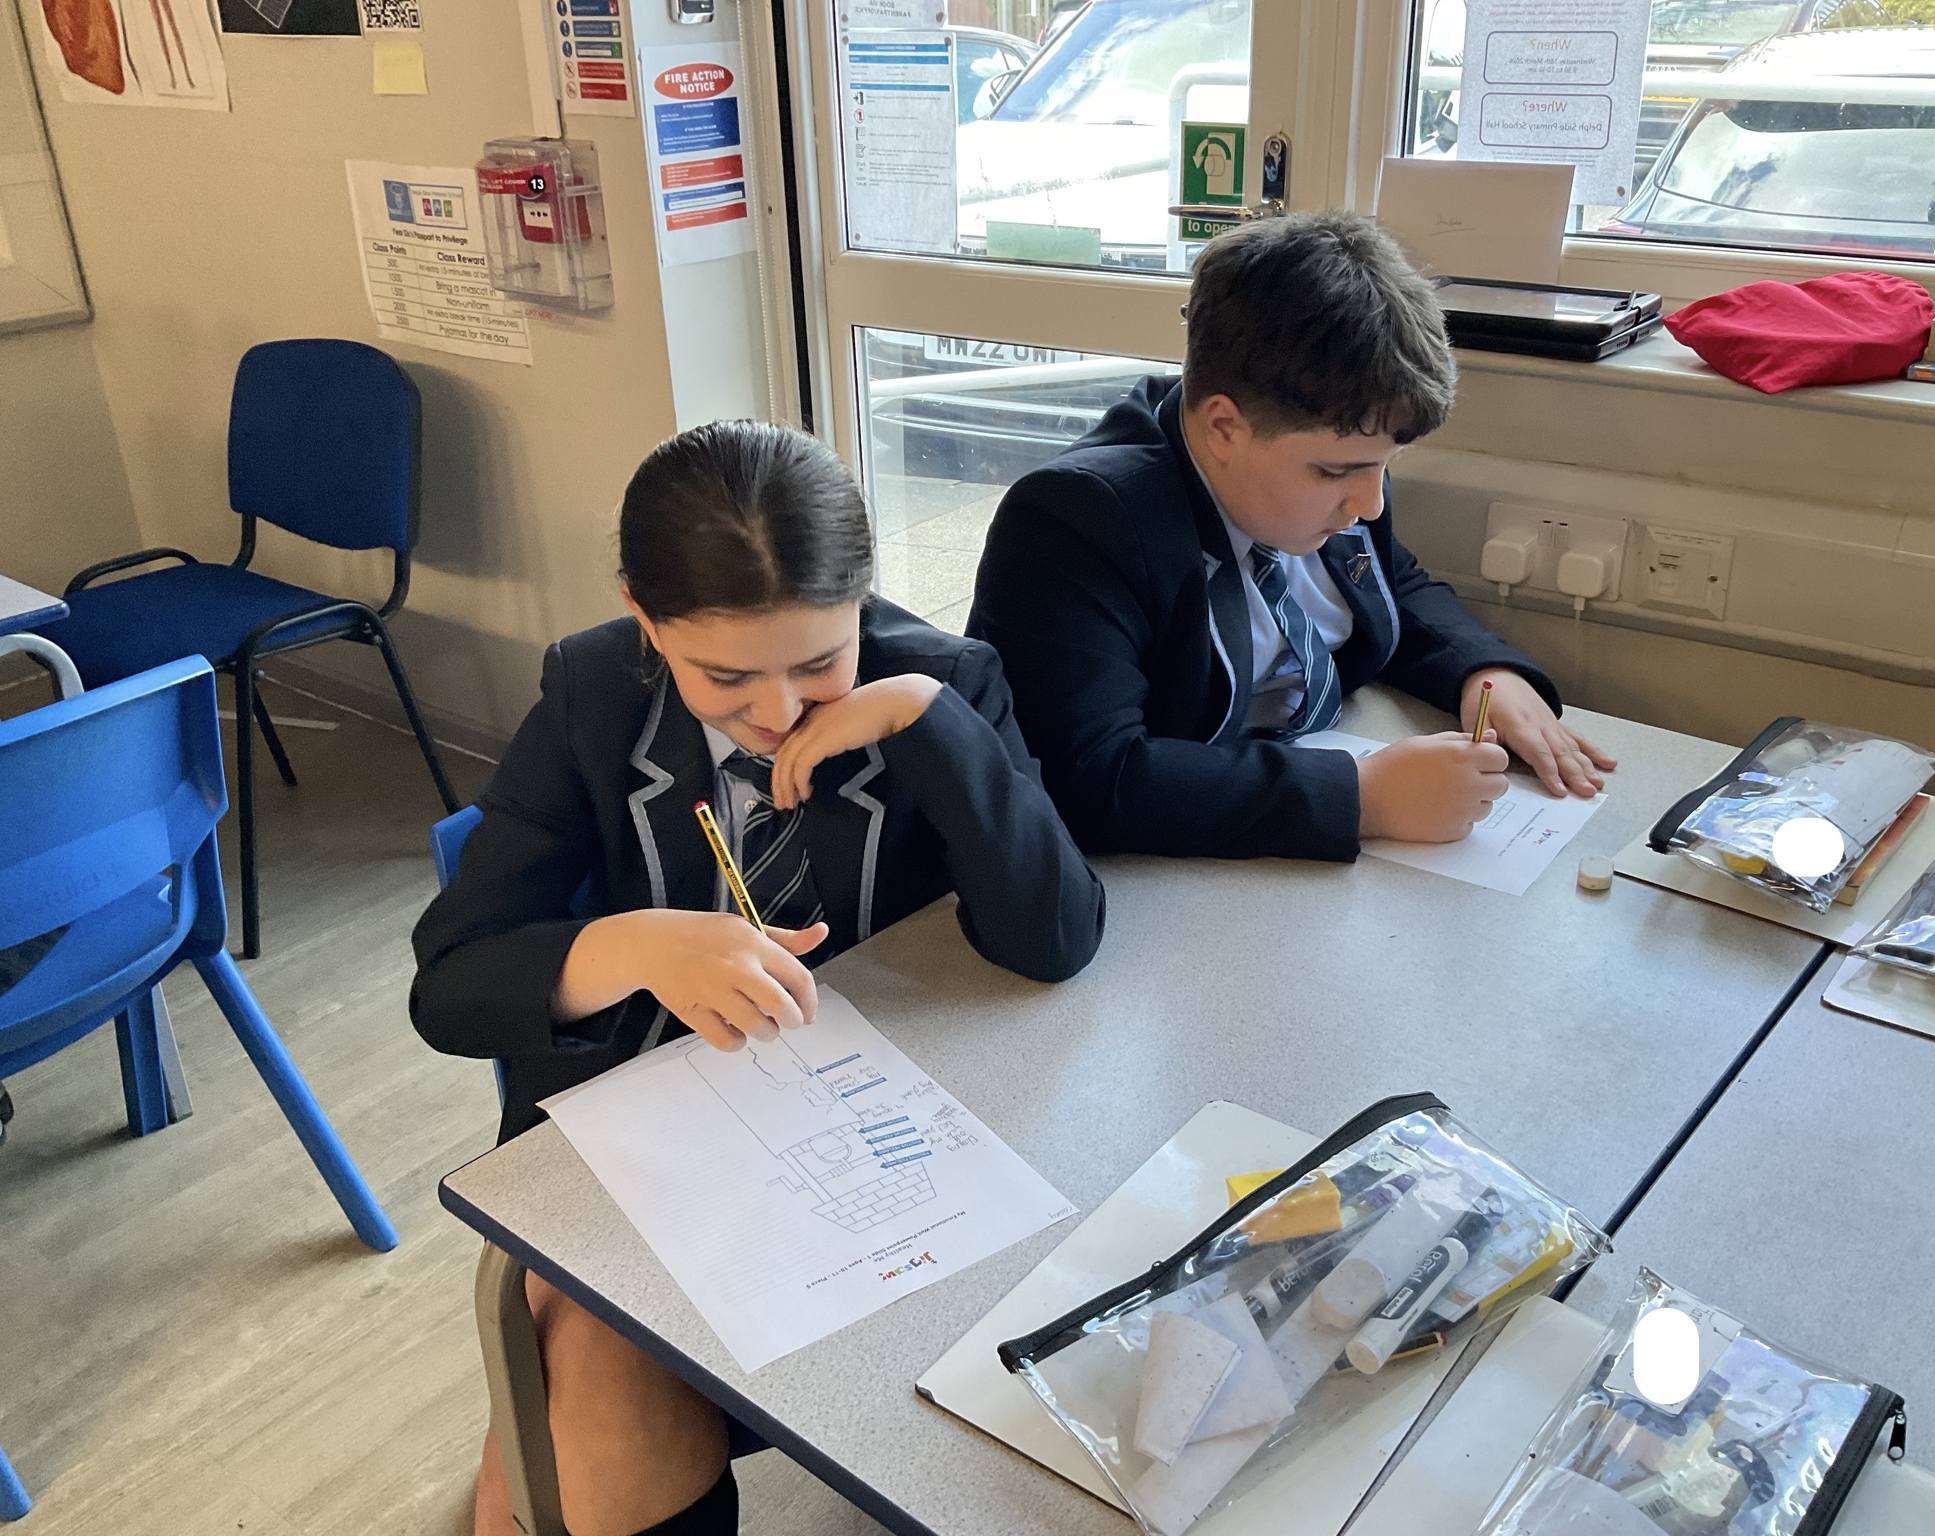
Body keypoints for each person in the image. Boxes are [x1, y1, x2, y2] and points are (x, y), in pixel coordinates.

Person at [412, 420, 1105, 1536]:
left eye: (820, 662)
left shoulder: (942, 680)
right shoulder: (594, 691)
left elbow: (1057, 938)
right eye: (724, 676)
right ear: (644, 618)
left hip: (887, 1131)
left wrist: (934, 731)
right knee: (599, 1376)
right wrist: (635, 946)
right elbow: (450, 983)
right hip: (657, 1138)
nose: (779, 713)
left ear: (861, 603)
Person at [968, 211, 1615, 862]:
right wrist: (1362, 796)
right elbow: (1086, 778)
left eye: (1386, 465)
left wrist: (1484, 672)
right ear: (1225, 428)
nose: (1370, 503)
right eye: (1336, 472)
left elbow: (1393, 581)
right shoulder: (1075, 521)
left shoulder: (1329, 471)